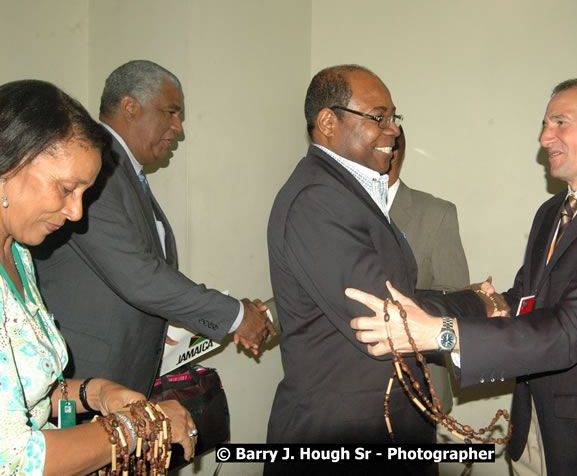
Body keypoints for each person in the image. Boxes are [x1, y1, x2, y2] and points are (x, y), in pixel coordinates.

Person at [349, 79, 577, 475]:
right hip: (532, 432)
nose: (544, 137)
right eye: (544, 124)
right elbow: (518, 299)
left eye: (559, 123)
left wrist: (441, 333)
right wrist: (416, 307)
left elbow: (568, 332)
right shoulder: (552, 212)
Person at [266, 65, 488, 454]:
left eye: (393, 117)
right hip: (344, 435)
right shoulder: (318, 199)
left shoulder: (346, 193)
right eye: (378, 117)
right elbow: (382, 317)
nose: (394, 129)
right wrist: (476, 303)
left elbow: (389, 290)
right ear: (327, 122)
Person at [32, 60, 273, 395]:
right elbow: (138, 276)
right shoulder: (95, 171)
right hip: (83, 384)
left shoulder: (123, 170)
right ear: (130, 107)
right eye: (171, 113)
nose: (179, 128)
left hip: (118, 379)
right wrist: (235, 315)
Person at [0, 79, 196, 474]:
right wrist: (140, 424)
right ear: (9, 164)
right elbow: (15, 459)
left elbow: (22, 394)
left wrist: (96, 392)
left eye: (84, 194)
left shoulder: (18, 255)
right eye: (67, 188)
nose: (75, 213)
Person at [387, 125, 470, 413]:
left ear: (392, 151)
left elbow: (456, 302)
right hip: (347, 389)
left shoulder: (436, 214)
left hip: (417, 387)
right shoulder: (337, 212)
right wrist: (267, 316)